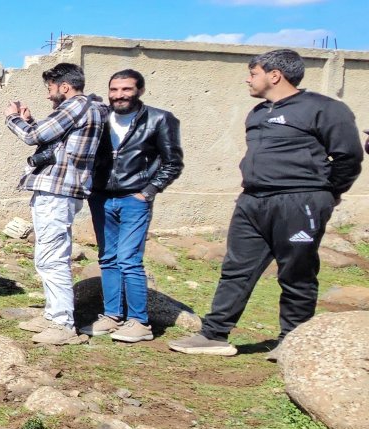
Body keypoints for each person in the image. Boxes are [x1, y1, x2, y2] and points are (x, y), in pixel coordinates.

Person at [168, 49, 363, 359]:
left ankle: (292, 342)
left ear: (275, 75)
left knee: (296, 272)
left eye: (253, 73)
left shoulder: (325, 109)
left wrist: (326, 194)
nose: (248, 78)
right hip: (252, 201)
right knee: (235, 269)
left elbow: (348, 157)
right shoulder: (258, 113)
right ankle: (214, 334)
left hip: (299, 202)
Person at [4, 63, 104, 345]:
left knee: (52, 258)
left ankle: (62, 323)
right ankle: (52, 315)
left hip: (57, 192)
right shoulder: (85, 109)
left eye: (50, 89)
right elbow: (55, 143)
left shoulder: (75, 107)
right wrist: (32, 120)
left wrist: (13, 119)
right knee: (47, 255)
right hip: (59, 190)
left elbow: (33, 137)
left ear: (64, 86)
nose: (49, 95)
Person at [83, 69, 184, 343]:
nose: (119, 95)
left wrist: (148, 191)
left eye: (126, 89)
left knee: (129, 260)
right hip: (101, 196)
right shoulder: (101, 117)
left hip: (134, 199)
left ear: (139, 90)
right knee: (107, 259)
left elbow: (172, 161)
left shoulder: (160, 119)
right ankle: (112, 316)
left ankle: (139, 322)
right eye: (114, 89)